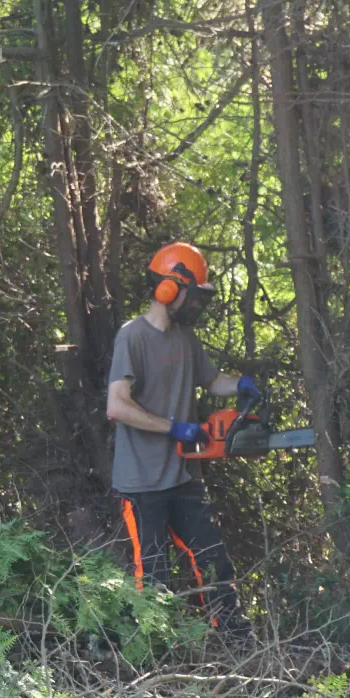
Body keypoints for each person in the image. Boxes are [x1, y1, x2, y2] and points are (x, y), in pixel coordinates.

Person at [105, 242, 260, 639]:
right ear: (170, 289)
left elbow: (212, 381)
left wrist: (240, 385)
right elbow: (117, 406)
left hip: (183, 475)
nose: (195, 304)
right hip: (142, 483)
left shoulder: (185, 339)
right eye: (192, 294)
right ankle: (153, 649)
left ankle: (231, 631)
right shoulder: (132, 338)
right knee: (152, 572)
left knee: (213, 558)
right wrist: (173, 427)